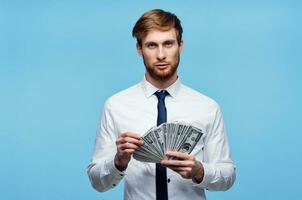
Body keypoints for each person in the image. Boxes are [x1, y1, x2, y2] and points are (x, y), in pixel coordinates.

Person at [87, 9, 236, 200]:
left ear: (180, 46)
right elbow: (97, 182)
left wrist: (200, 171)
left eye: (168, 44)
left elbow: (228, 177)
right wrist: (118, 162)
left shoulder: (207, 107)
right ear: (139, 49)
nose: (161, 54)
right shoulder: (115, 106)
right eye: (151, 45)